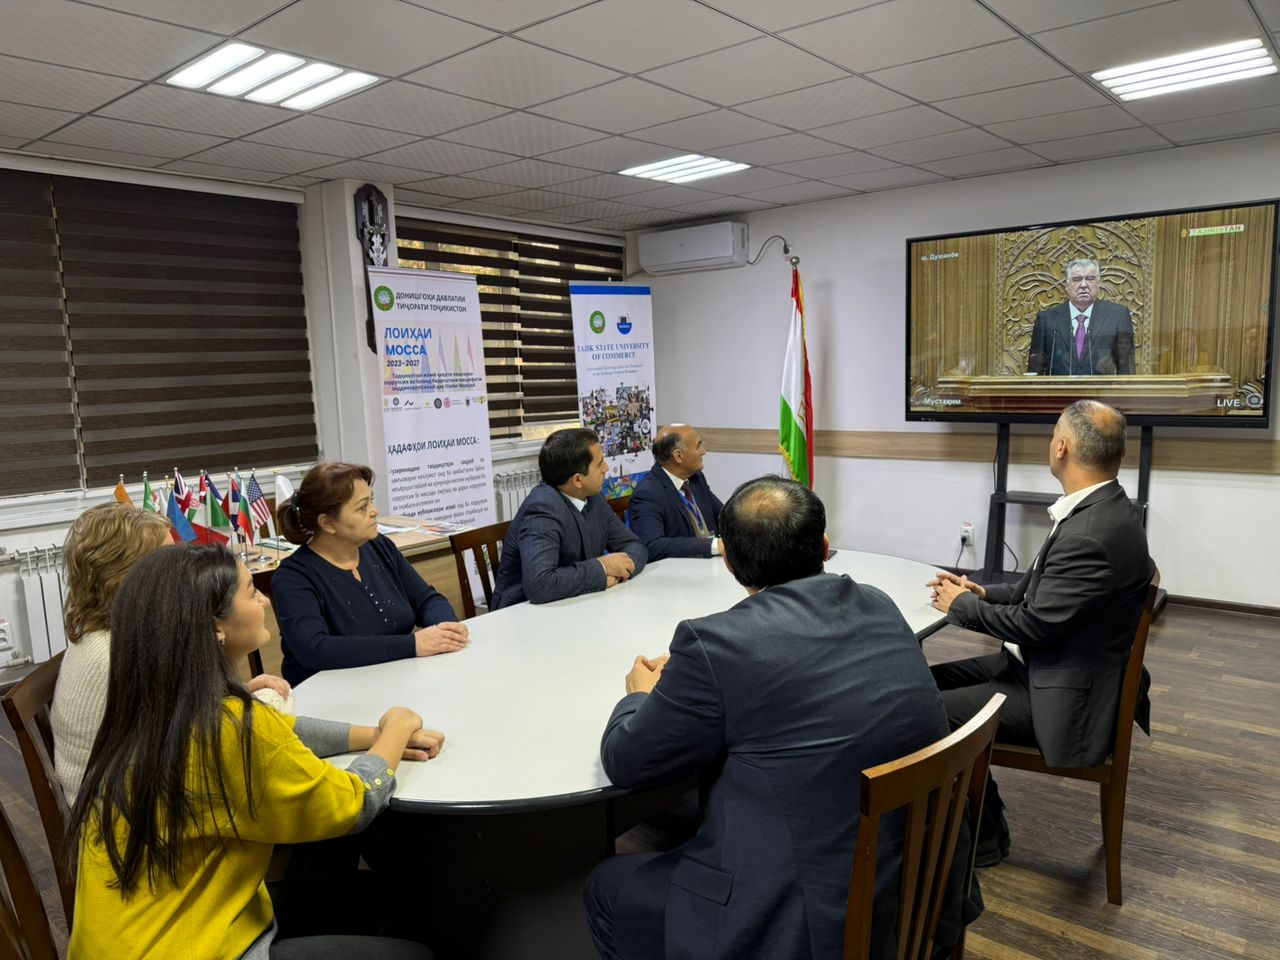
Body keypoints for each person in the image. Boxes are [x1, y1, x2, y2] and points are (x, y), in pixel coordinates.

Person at [584, 476, 975, 960]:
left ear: (729, 562)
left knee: (608, 887)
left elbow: (627, 761)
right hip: (917, 876)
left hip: (807, 918)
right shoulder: (877, 602)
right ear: (825, 548)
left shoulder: (719, 644)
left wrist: (640, 696)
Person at [67, 544, 440, 960]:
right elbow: (353, 803)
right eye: (250, 591)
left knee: (372, 892)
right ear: (215, 626)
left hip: (136, 936)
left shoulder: (153, 709)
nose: (263, 600)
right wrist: (397, 727)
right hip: (192, 947)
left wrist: (372, 736)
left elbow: (281, 732)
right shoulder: (232, 728)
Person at [928, 400, 1155, 864]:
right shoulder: (1105, 507)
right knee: (922, 683)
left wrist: (961, 607)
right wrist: (981, 592)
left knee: (922, 710)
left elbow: (1035, 626)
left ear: (1062, 448)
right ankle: (979, 821)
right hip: (1049, 668)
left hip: (1064, 695)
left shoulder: (1089, 532)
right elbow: (1040, 593)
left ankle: (982, 836)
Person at [51, 503, 289, 806]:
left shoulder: (112, 632)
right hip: (123, 811)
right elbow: (195, 740)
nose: (183, 571)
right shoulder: (119, 653)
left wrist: (239, 692)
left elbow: (178, 714)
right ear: (126, 583)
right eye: (168, 563)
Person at [272, 463, 467, 686]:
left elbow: (426, 599)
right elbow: (316, 649)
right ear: (327, 523)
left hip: (396, 678)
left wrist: (447, 629)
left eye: (371, 501)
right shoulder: (293, 578)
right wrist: (413, 645)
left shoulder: (379, 546)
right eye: (362, 507)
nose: (374, 511)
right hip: (333, 691)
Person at [491, 428, 647, 609]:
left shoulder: (593, 497)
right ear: (577, 480)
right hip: (523, 612)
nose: (606, 468)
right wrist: (602, 568)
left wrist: (622, 570)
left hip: (578, 601)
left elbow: (635, 545)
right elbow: (540, 584)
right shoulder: (542, 508)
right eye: (599, 464)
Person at [629, 424, 725, 561]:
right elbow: (652, 545)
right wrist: (714, 546)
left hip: (711, 563)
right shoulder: (647, 494)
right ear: (678, 456)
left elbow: (725, 516)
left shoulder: (696, 478)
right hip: (682, 568)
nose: (704, 451)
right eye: (698, 446)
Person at [1027, 259, 1135, 376]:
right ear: (1067, 285)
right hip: (1058, 387)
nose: (1084, 285)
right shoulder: (1046, 318)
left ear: (1098, 284)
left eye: (1090, 279)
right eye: (1077, 279)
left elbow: (1125, 367)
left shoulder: (1118, 315)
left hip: (1102, 387)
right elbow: (1034, 370)